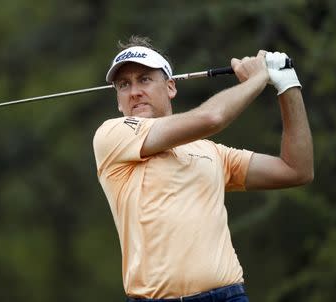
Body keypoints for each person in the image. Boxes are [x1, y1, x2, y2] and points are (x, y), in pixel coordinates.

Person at [92, 36, 313, 302]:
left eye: (145, 79)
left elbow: (296, 170)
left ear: (171, 86)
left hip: (229, 295)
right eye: (124, 85)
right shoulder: (112, 135)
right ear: (118, 101)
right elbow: (212, 118)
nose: (134, 91)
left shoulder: (212, 152)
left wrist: (287, 84)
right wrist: (258, 78)